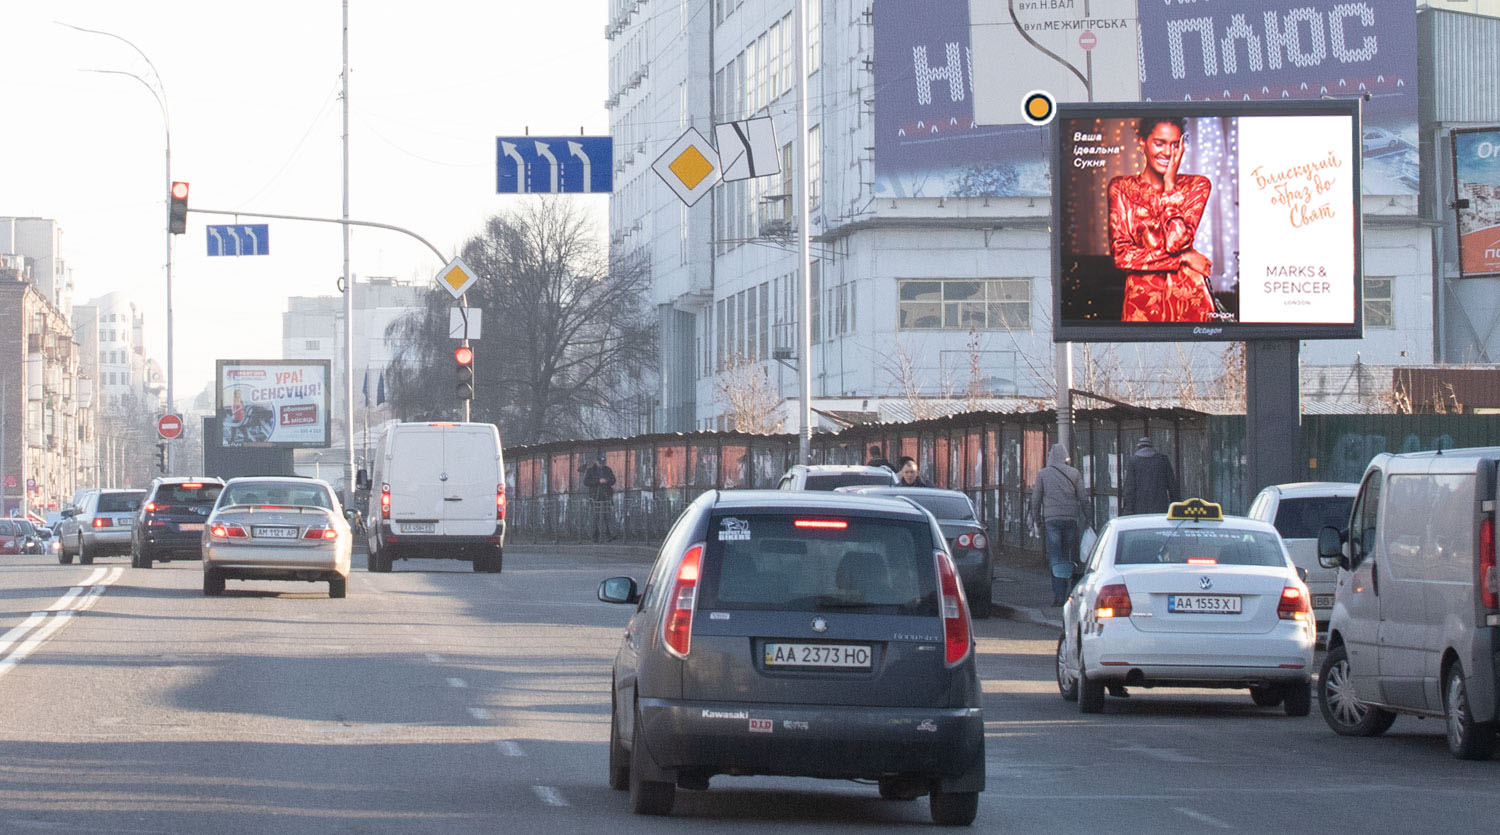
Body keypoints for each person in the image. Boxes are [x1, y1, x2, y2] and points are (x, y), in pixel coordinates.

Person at [1108, 117, 1216, 323]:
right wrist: (1184, 258)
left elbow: (1175, 242)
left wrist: (1169, 186)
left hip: (1192, 300)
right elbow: (1121, 256)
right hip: (1141, 303)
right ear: (1142, 143)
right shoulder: (1121, 187)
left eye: (1175, 145)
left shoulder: (1197, 185)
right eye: (1160, 143)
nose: (1167, 152)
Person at [1029, 443, 1089, 607]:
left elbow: (1036, 498)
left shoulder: (1043, 474)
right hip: (1071, 519)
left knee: (1056, 557)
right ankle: (1072, 594)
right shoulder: (1074, 473)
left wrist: (1036, 518)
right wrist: (1088, 517)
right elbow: (1083, 497)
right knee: (1071, 556)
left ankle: (1058, 596)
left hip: (1051, 520)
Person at [1122, 437, 1180, 515]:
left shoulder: (1133, 461)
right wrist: (1176, 507)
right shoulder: (1162, 459)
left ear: (1139, 447)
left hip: (1139, 507)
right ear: (1151, 446)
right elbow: (1172, 486)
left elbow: (1129, 488)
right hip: (1160, 506)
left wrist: (1128, 510)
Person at [583, 453, 617, 541]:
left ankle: (608, 534)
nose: (602, 464)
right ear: (596, 461)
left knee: (607, 515)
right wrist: (598, 481)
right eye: (600, 462)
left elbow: (613, 480)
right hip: (595, 496)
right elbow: (586, 482)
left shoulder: (607, 470)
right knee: (595, 516)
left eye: (603, 462)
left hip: (606, 495)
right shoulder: (591, 470)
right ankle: (595, 535)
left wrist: (607, 481)